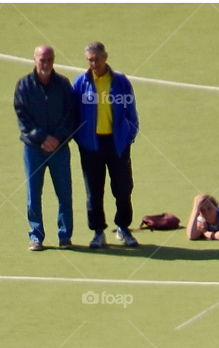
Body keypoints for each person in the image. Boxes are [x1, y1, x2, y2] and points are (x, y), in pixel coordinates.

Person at [73, 41, 140, 249]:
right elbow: (73, 113)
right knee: (94, 190)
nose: (94, 63)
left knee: (122, 188)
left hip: (116, 142)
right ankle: (98, 231)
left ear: (105, 57)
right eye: (90, 59)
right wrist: (81, 137)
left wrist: (128, 135)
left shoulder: (120, 82)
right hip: (91, 144)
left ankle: (123, 227)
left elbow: (131, 111)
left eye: (97, 58)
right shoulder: (81, 83)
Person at [13, 45, 78, 251]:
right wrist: (42, 138)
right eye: (42, 60)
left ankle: (65, 236)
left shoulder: (63, 84)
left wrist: (57, 138)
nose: (46, 64)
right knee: (34, 193)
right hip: (34, 149)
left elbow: (71, 115)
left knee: (64, 193)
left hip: (59, 148)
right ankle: (36, 235)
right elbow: (23, 117)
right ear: (34, 60)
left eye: (49, 59)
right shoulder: (24, 86)